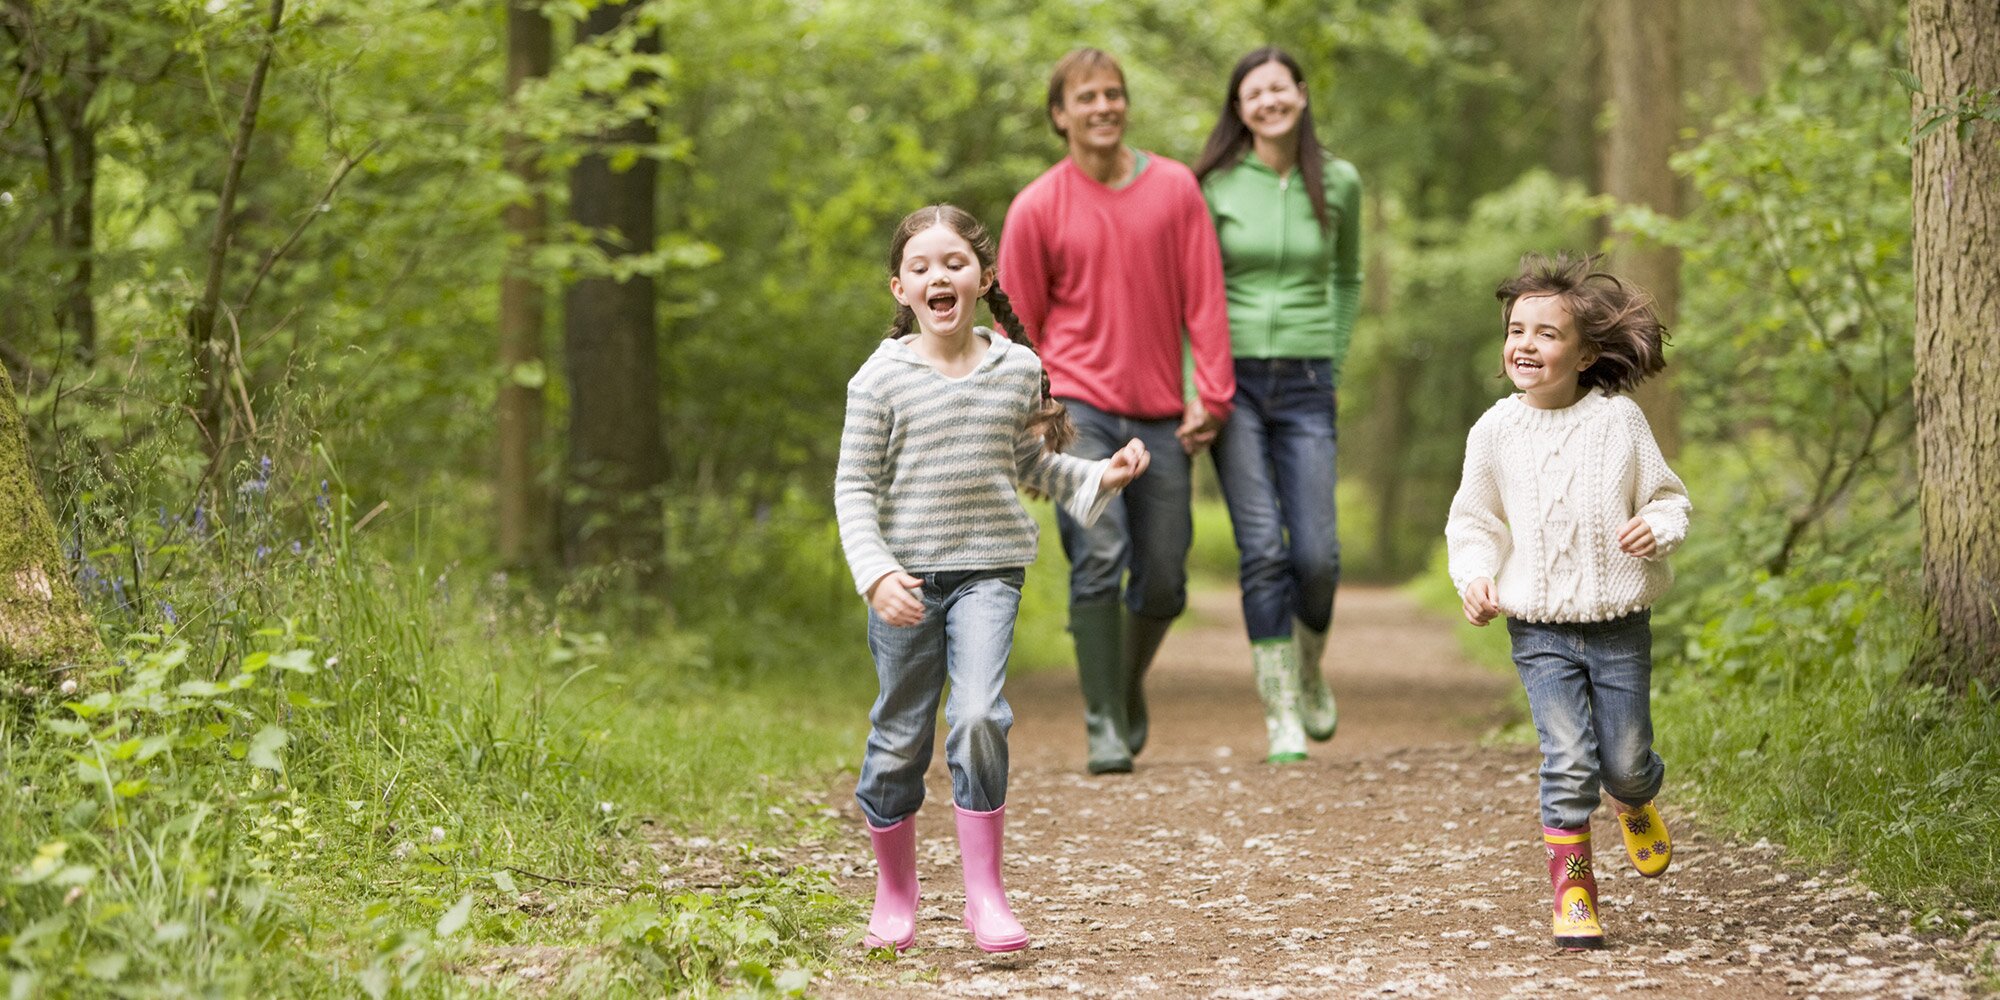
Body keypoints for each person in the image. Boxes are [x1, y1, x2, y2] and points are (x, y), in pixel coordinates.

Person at [836, 204, 1151, 953]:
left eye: (953, 263)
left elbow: (1029, 464)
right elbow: (853, 486)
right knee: (899, 740)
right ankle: (896, 891)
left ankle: (985, 894)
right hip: (905, 583)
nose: (938, 276)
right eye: (920, 267)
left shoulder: (1016, 368)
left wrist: (1100, 476)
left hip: (989, 572)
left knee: (978, 716)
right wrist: (876, 574)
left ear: (980, 278)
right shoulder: (878, 380)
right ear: (899, 289)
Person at [998, 47, 1236, 775]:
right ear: (1059, 115)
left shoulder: (1174, 189)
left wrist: (1213, 395)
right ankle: (1103, 720)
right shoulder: (1038, 205)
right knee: (1100, 555)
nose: (1103, 106)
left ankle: (1122, 685)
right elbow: (1017, 327)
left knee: (1164, 575)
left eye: (1113, 94)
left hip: (1162, 412)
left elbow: (1205, 296)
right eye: (1087, 97)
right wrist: (1034, 422)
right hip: (1079, 412)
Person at [1444, 252, 1691, 951]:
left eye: (1546, 333)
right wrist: (1476, 576)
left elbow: (1668, 498)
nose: (1525, 343)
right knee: (1568, 760)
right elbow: (1475, 521)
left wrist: (1658, 529)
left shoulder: (1618, 423)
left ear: (1585, 354)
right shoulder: (1494, 431)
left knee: (1624, 761)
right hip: (1539, 628)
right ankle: (1574, 889)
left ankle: (1635, 799)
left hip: (1619, 626)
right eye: (1516, 329)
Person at [1192, 47, 1363, 763]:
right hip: (1233, 384)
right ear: (1239, 109)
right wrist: (1196, 384)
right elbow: (1193, 290)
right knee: (1262, 548)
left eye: (1278, 88)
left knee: (1317, 555)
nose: (1267, 101)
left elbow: (1348, 277)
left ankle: (1310, 666)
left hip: (1307, 381)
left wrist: (1333, 353)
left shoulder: (1342, 181)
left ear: (1300, 93)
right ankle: (1281, 713)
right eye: (1252, 93)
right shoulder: (1216, 186)